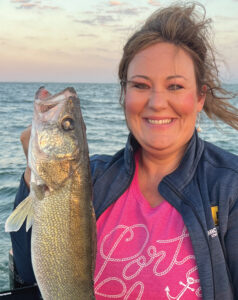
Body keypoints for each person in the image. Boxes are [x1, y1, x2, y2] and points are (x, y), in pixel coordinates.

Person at [9, 2, 238, 299]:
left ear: (199, 97)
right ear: (124, 94)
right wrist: (33, 175)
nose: (156, 102)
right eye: (141, 85)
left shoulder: (230, 188)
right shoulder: (91, 181)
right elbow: (31, 275)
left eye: (176, 86)